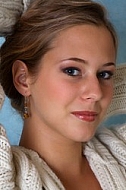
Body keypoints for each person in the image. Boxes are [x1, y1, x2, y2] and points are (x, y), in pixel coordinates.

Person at [0, 0, 126, 189]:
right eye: (72, 71)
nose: (96, 92)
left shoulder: (120, 151)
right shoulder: (7, 177)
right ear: (22, 78)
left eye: (104, 74)